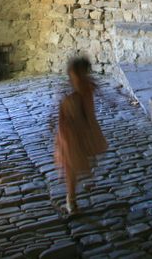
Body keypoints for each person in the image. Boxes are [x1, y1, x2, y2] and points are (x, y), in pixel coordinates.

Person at [53, 56, 107, 214]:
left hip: (72, 136)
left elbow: (63, 116)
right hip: (79, 134)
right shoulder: (86, 88)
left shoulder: (73, 95)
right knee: (74, 164)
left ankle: (71, 201)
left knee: (70, 167)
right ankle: (72, 198)